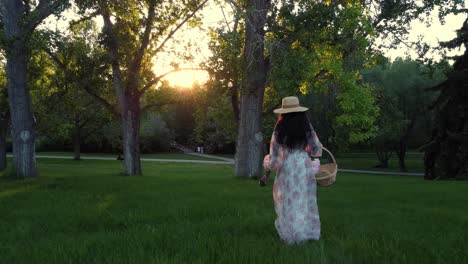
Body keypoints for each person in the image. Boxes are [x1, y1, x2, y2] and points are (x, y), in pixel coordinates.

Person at [262, 96, 323, 244]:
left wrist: (269, 166)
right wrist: (306, 152)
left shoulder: (280, 128)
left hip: (288, 167)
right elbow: (315, 148)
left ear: (283, 112)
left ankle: (291, 235)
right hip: (303, 166)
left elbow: (275, 156)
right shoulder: (306, 126)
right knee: (303, 200)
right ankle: (304, 232)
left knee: (289, 201)